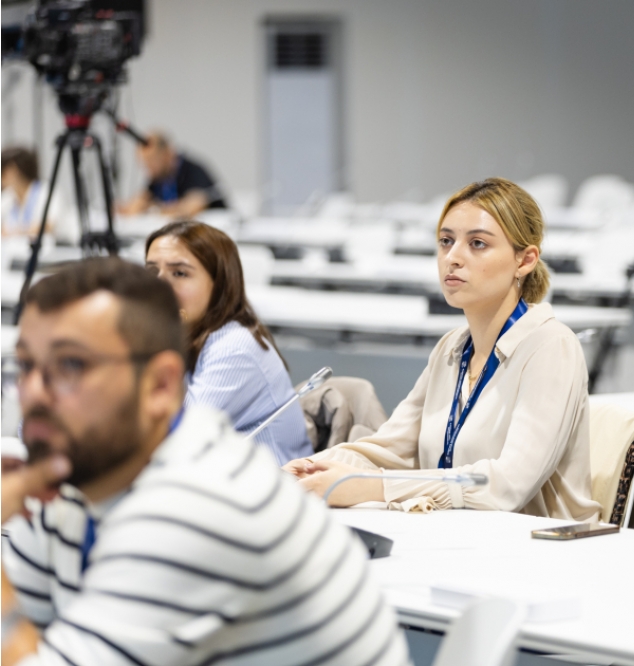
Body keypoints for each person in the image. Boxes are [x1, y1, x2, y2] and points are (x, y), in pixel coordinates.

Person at [1, 257, 408, 665]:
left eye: (71, 365)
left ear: (160, 385)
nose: (33, 391)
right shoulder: (77, 475)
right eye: (26, 365)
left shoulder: (198, 504)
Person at [285, 178, 601, 521]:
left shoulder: (551, 346)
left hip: (539, 545)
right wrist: (310, 468)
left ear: (524, 261)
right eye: (446, 241)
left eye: (477, 244)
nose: (452, 257)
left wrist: (374, 487)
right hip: (458, 535)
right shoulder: (452, 348)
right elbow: (386, 450)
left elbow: (507, 485)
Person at [145, 221, 312, 465]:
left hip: (274, 481)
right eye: (152, 272)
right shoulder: (186, 336)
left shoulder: (234, 347)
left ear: (219, 285)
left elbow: (176, 437)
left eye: (179, 273)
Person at [118, 132, 226, 217]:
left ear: (167, 154)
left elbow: (192, 207)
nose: (149, 170)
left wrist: (155, 208)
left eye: (152, 162)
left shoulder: (193, 170)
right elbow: (142, 200)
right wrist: (129, 207)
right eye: (146, 164)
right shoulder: (158, 177)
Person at [1, 147, 75, 244]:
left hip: (57, 249)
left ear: (13, 170)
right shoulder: (8, 197)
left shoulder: (47, 191)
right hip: (19, 251)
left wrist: (15, 232)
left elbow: (48, 226)